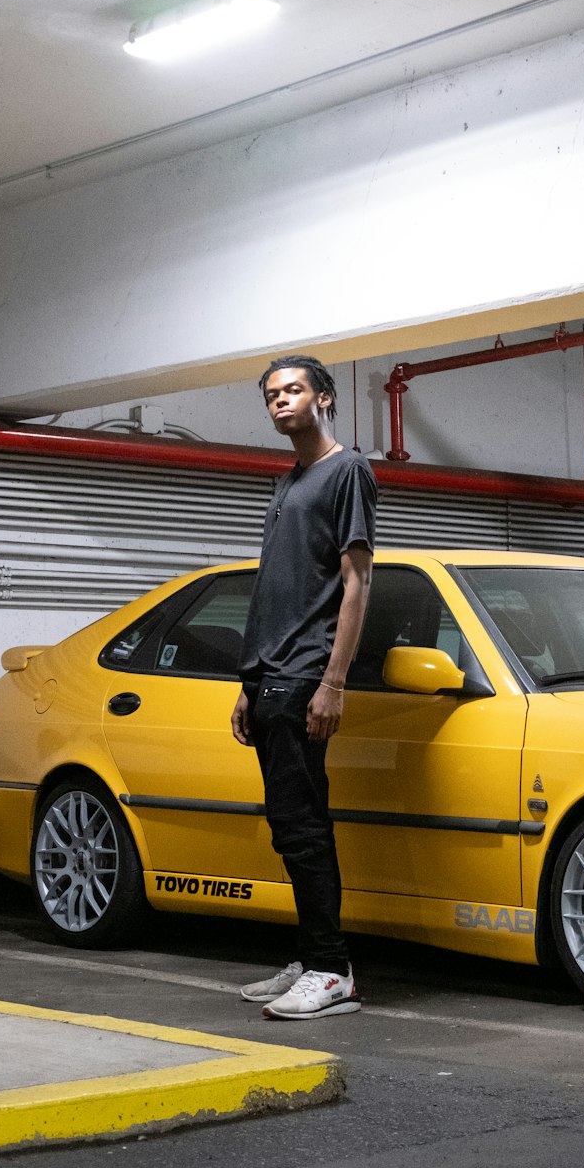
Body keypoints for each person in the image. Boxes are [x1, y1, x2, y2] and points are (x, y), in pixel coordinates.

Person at [232, 355, 377, 1019]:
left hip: (305, 676)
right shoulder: (290, 481)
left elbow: (357, 583)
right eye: (271, 395)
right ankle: (313, 953)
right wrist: (248, 679)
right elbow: (275, 589)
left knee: (304, 826)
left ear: (323, 397)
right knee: (290, 827)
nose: (281, 402)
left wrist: (334, 682)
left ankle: (330, 969)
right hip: (272, 676)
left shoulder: (346, 472)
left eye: (292, 390)